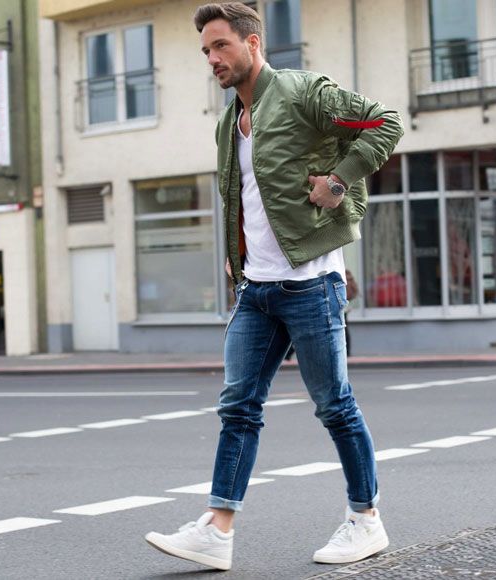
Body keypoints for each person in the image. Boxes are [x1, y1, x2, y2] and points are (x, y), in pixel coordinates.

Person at [145, 2, 403, 571]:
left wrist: (338, 181)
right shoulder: (227, 122)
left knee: (334, 406)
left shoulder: (303, 91)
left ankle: (366, 520)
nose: (213, 58)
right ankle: (217, 529)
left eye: (221, 46)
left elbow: (386, 123)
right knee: (238, 408)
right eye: (206, 51)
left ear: (253, 43)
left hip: (310, 283)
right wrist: (238, 271)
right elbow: (241, 206)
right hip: (257, 291)